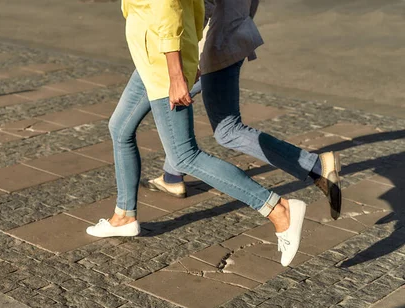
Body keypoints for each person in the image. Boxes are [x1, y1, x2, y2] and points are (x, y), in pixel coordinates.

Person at [85, 0, 307, 266]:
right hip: (149, 55)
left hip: (162, 63)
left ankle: (278, 209)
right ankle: (123, 216)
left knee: (183, 156)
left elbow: (168, 9)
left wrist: (177, 73)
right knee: (120, 127)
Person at [143, 0, 342, 220]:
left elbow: (203, 9)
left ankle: (315, 167)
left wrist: (186, 57)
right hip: (234, 36)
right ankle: (172, 175)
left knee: (227, 130)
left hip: (215, 45)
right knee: (201, 116)